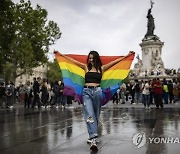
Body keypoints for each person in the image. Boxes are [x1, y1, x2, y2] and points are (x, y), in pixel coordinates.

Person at [60, 50, 133, 151]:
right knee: (90, 115)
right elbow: (73, 61)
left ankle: (92, 136)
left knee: (96, 115)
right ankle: (93, 139)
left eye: (92, 58)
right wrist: (61, 55)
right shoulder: (86, 67)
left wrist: (127, 56)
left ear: (96, 58)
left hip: (97, 92)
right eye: (89, 58)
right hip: (86, 93)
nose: (90, 60)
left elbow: (115, 62)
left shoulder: (101, 68)